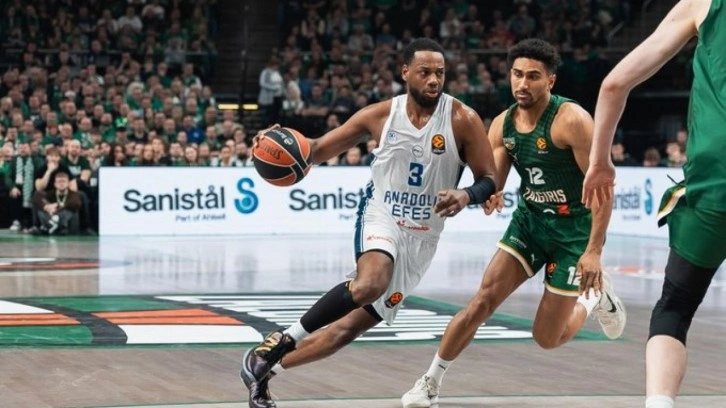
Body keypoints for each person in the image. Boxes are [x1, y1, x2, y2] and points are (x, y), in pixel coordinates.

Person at [240, 38, 498, 408]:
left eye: (440, 73)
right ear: (405, 72)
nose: (433, 80)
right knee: (369, 284)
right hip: (382, 214)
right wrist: (276, 140)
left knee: (344, 332)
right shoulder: (379, 115)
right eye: (425, 72)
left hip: (422, 237)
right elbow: (316, 149)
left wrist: (466, 195)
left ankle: (263, 372)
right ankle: (282, 339)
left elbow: (489, 179)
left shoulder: (463, 119)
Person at [401, 39, 627, 408]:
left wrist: (594, 252)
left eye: (533, 76)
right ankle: (430, 382)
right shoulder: (503, 124)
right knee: (481, 301)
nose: (523, 83)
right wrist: (490, 195)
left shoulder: (572, 120)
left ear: (550, 81)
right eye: (517, 74)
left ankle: (593, 297)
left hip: (573, 233)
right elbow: (494, 180)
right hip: (530, 224)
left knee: (546, 338)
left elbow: (603, 190)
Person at [581, 1, 725, 407]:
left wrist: (600, 160)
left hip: (714, 184)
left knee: (675, 307)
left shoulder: (703, 4)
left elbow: (614, 85)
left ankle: (659, 402)